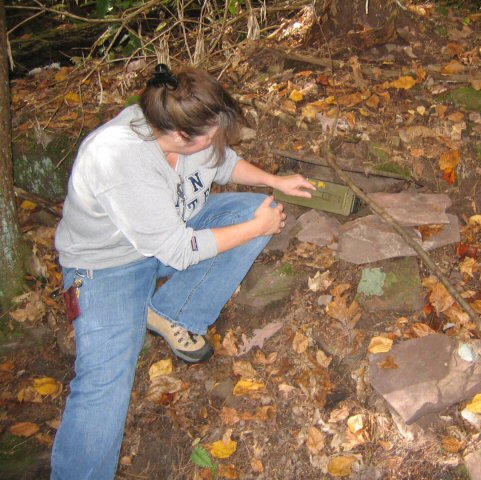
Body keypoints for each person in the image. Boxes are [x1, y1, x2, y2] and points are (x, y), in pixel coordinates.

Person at [51, 64, 314, 479]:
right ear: (176, 135)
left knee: (252, 209)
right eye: (208, 136)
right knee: (105, 380)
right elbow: (180, 250)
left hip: (174, 228)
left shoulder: (188, 122)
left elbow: (223, 164)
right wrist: (255, 229)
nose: (216, 141)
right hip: (106, 265)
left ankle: (173, 312)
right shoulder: (119, 159)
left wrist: (274, 181)